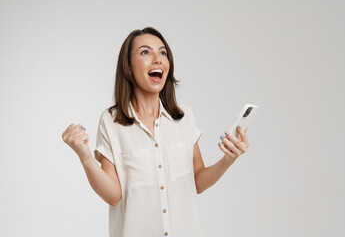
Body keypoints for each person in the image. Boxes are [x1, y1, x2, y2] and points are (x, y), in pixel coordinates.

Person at [62, 27, 250, 237]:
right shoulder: (111, 121)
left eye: (163, 53)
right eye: (145, 52)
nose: (158, 59)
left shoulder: (184, 117)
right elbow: (114, 195)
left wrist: (228, 159)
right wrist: (85, 157)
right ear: (129, 68)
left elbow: (197, 181)